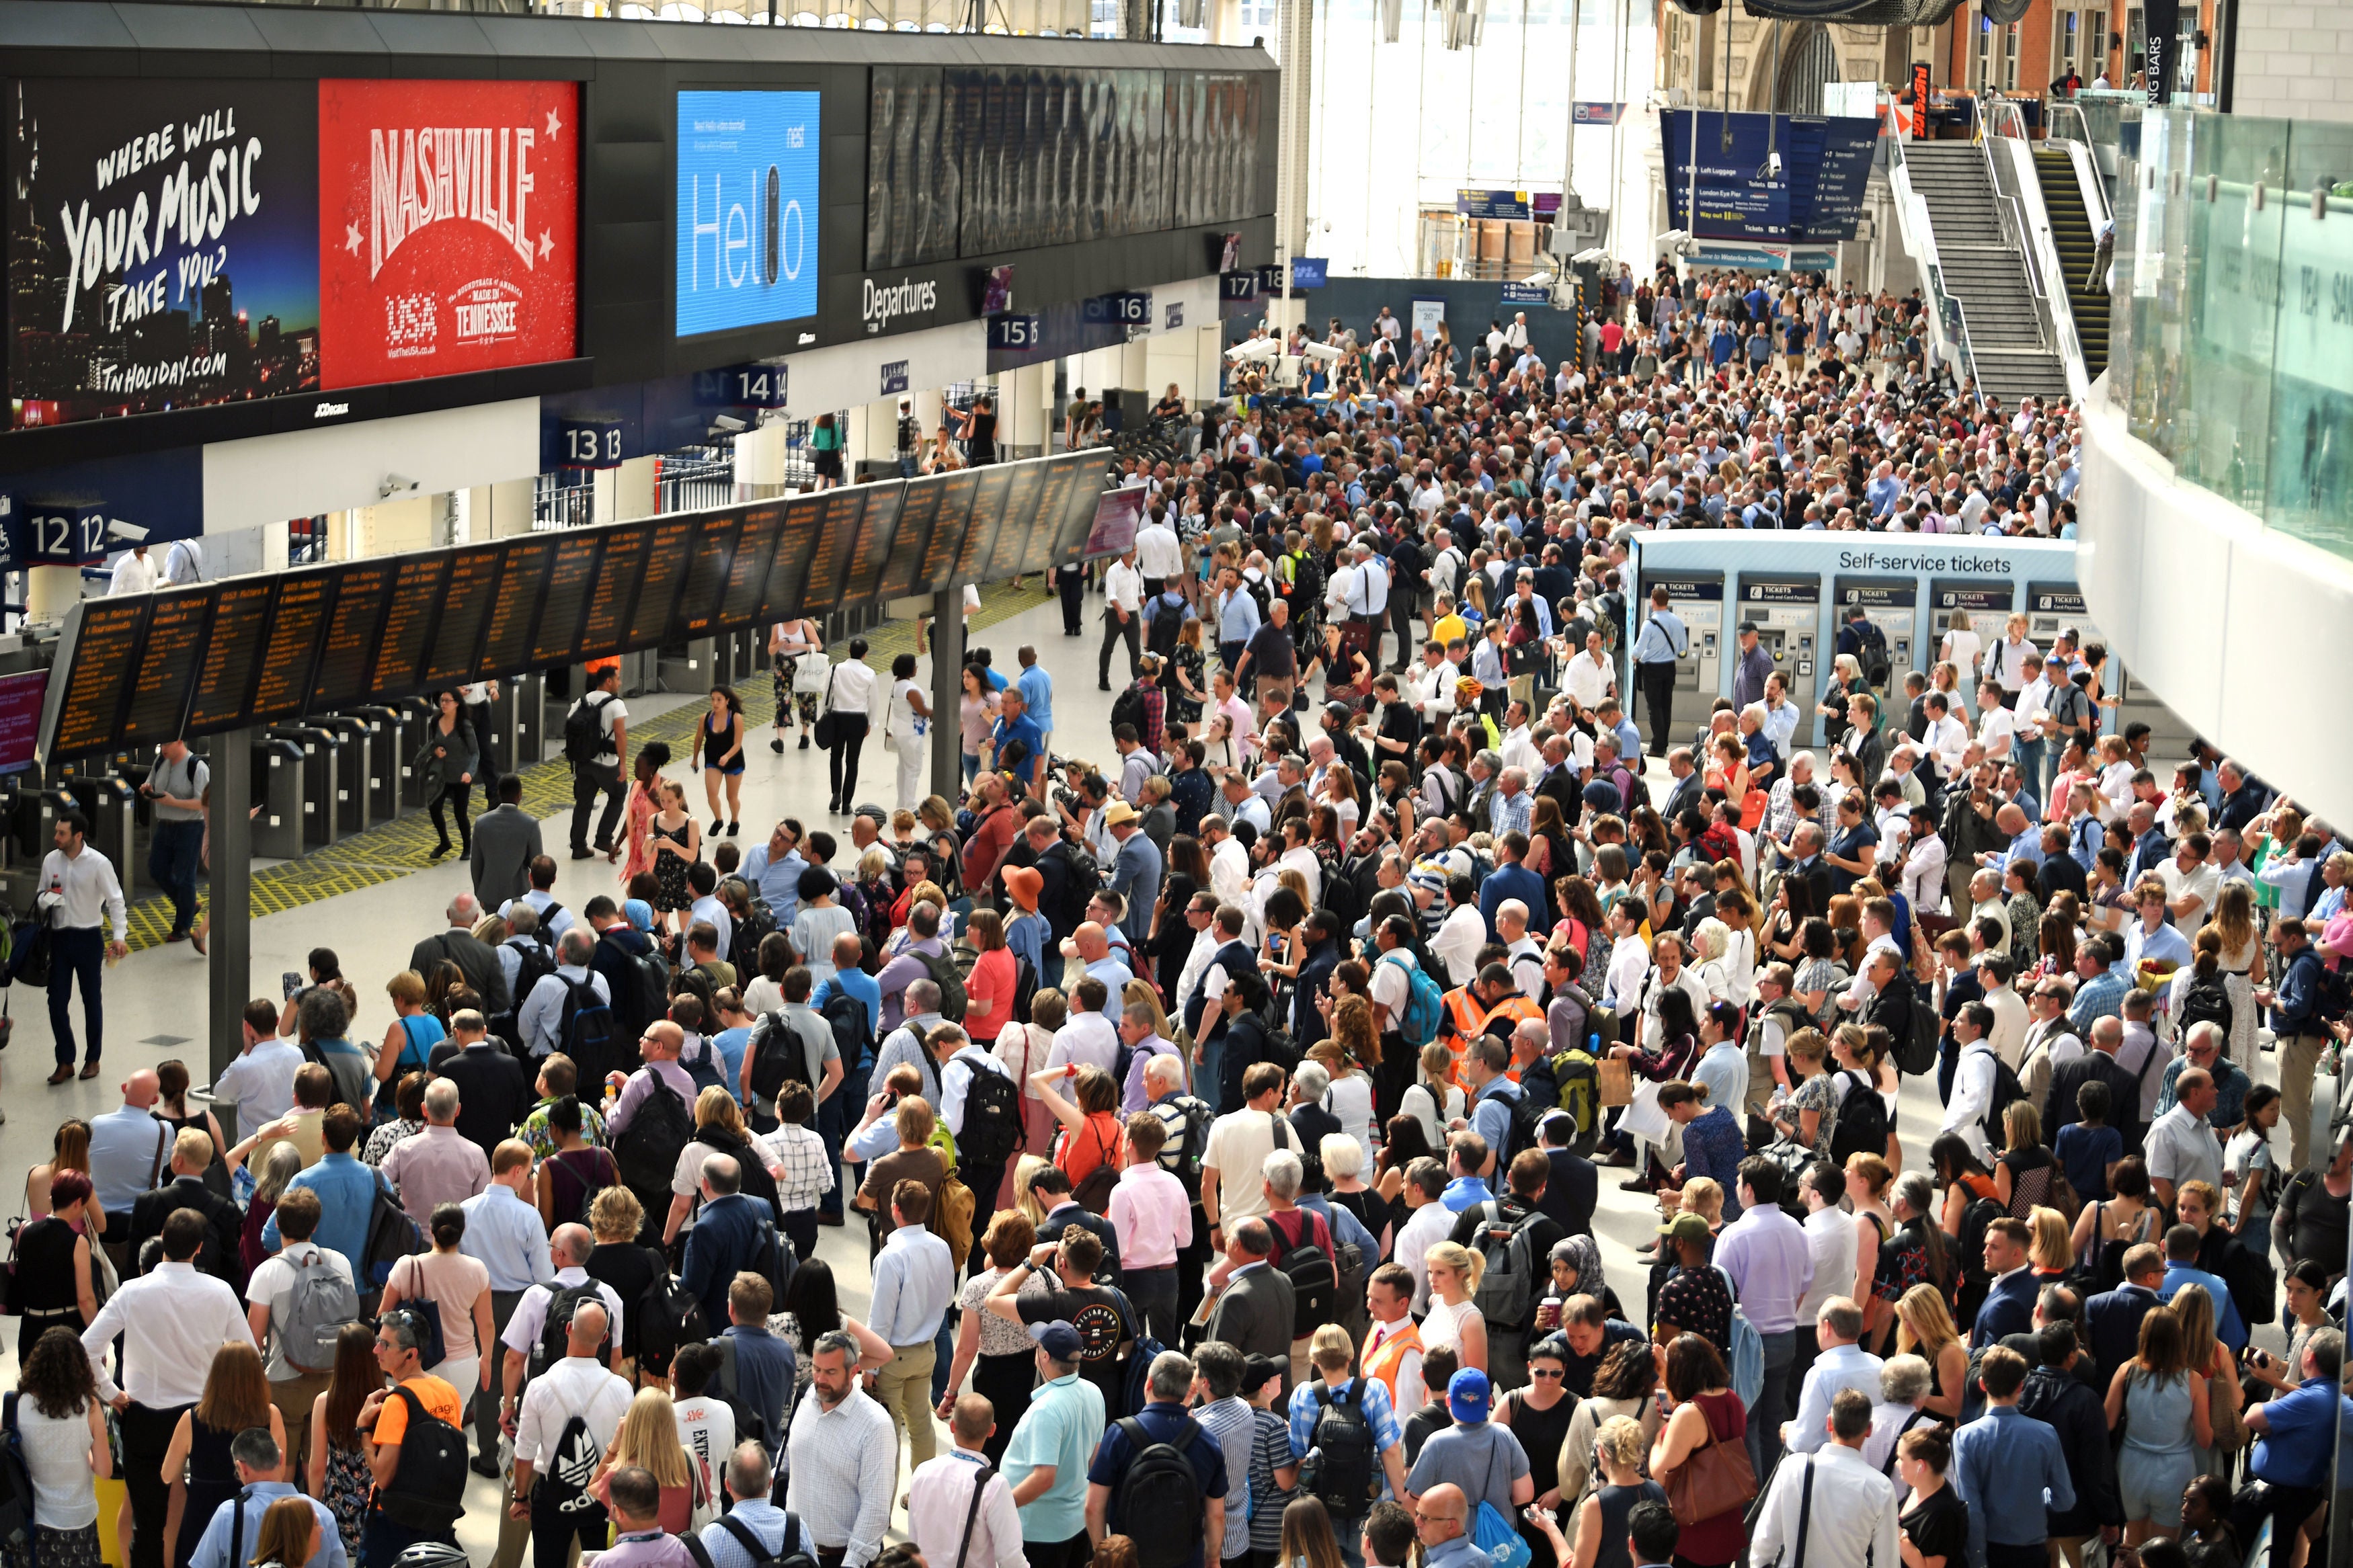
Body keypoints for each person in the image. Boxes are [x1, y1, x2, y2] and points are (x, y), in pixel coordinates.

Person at [79, 1208, 257, 1568]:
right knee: (208, 1514)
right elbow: (249, 1356)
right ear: (200, 1248)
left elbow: (85, 1349)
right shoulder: (220, 1292)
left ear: (163, 1238)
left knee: (148, 1523)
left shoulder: (133, 1292)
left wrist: (110, 1393)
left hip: (145, 1417)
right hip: (206, 1419)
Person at [508, 1299, 633, 1568]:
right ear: (605, 1338)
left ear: (567, 1330)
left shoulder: (539, 1387)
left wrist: (521, 1497)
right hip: (603, 1500)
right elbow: (630, 1451)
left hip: (551, 1500)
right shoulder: (621, 1389)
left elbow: (525, 1451)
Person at [1083, 1350, 1228, 1568]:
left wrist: (1102, 1553)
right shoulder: (1206, 1440)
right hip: (1186, 1558)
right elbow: (1216, 1514)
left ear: (1148, 1384)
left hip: (1128, 1559)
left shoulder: (1119, 1435)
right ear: (1188, 1390)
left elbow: (1093, 1506)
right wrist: (1213, 1559)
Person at [352, 1310, 465, 1567]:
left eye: (385, 1345)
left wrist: (363, 1430)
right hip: (436, 1515)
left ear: (410, 1354)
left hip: (393, 1519)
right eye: (377, 1340)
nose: (376, 1350)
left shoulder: (398, 1402)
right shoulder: (448, 1391)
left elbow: (383, 1476)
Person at [1749, 1389, 1899, 1568]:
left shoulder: (1793, 1467)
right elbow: (1888, 1561)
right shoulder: (1881, 1488)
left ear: (1829, 1423)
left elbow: (1766, 1539)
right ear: (1869, 1430)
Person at [1003, 1319, 1109, 1568]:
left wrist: (999, 1506)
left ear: (1045, 1356)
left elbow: (1044, 1478)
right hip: (1076, 1523)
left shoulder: (1046, 1409)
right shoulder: (1093, 1391)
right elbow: (1094, 1459)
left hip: (1042, 1533)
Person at [38, 811, 130, 1084]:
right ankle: (65, 1060)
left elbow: (116, 901)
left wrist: (119, 935)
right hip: (59, 938)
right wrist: (50, 899)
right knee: (56, 1001)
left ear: (78, 836)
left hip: (88, 938)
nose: (56, 837)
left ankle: (93, 1059)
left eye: (62, 834)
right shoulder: (50, 860)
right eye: (56, 832)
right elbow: (40, 896)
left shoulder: (99, 863)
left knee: (91, 1000)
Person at [13, 1325, 113, 1568]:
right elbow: (105, 1471)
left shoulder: (18, 1404)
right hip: (78, 1519)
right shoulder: (88, 1405)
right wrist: (85, 1455)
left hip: (30, 1521)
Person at [1644, 1335, 1746, 1568]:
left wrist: (1660, 1437)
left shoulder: (1690, 1412)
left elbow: (1662, 1473)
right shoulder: (1733, 1399)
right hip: (1726, 1520)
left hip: (1695, 1531)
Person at [143, 739, 208, 948]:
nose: (162, 750)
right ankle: (188, 904)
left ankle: (183, 925)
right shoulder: (160, 762)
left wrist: (174, 802)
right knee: (156, 869)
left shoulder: (197, 767)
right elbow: (150, 783)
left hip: (190, 827)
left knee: (184, 877)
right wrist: (147, 789)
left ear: (180, 742)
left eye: (166, 745)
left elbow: (205, 801)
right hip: (165, 826)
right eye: (160, 746)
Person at [568, 663, 630, 862]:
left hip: (584, 761)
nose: (620, 683)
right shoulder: (616, 704)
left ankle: (578, 847)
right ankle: (604, 838)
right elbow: (620, 734)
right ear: (609, 681)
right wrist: (623, 763)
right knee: (619, 793)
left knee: (583, 803)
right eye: (618, 679)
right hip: (607, 763)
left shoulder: (582, 700)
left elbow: (570, 723)